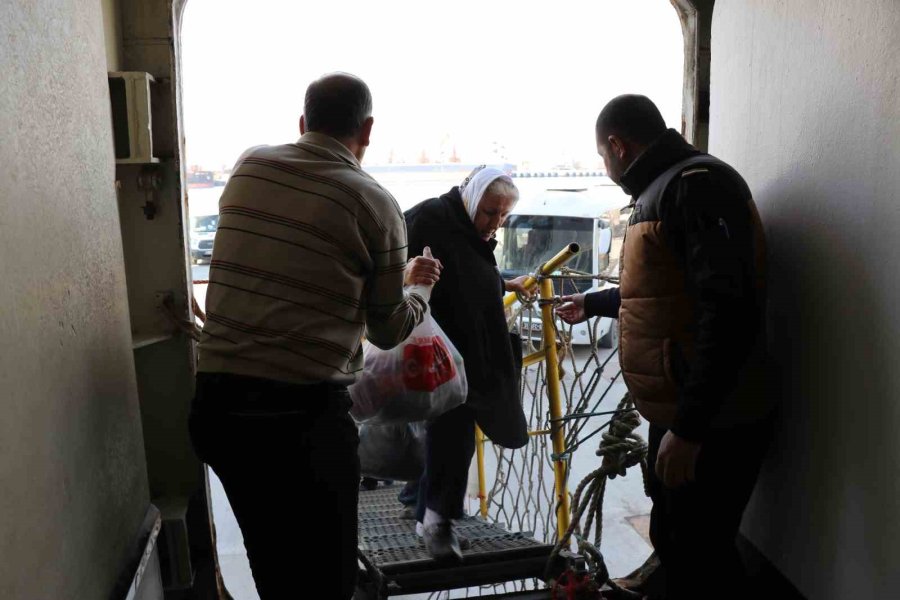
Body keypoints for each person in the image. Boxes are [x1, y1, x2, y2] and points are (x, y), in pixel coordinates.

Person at [188, 73, 442, 600]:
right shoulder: (375, 203)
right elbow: (387, 329)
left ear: (303, 122)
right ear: (367, 130)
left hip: (219, 410)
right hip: (300, 420)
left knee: (272, 563)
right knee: (327, 579)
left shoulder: (250, 166)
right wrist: (419, 289)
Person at [557, 95, 773, 599]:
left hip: (711, 418)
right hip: (686, 409)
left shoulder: (695, 186)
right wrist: (594, 303)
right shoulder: (668, 189)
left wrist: (691, 429)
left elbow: (727, 309)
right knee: (678, 541)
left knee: (700, 553)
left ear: (618, 146)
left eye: (603, 156)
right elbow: (663, 293)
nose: (605, 168)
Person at [404, 165, 533, 560]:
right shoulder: (429, 218)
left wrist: (503, 282)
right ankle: (436, 521)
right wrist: (405, 275)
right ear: (472, 198)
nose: (495, 224)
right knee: (453, 431)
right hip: (437, 351)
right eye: (490, 212)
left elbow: (468, 271)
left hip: (464, 351)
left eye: (503, 216)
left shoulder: (465, 229)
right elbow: (388, 265)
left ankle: (423, 506)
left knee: (449, 432)